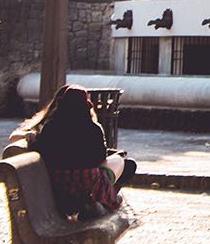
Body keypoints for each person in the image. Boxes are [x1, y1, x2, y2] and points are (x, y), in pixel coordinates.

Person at [25, 84, 131, 218]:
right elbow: (100, 158)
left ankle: (99, 202)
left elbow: (43, 151)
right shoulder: (93, 129)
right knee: (120, 162)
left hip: (59, 185)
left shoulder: (50, 127)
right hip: (86, 184)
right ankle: (105, 200)